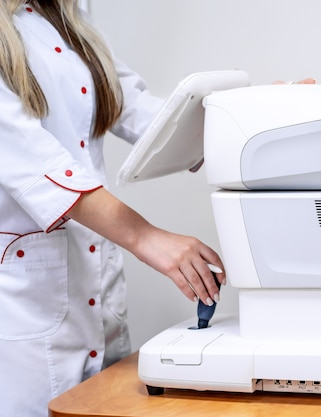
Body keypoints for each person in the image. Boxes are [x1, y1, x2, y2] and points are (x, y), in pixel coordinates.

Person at [0, 1, 229, 415]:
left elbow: (146, 114)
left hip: (92, 283)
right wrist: (147, 237)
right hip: (24, 310)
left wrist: (255, 118)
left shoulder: (67, 15)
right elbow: (38, 163)